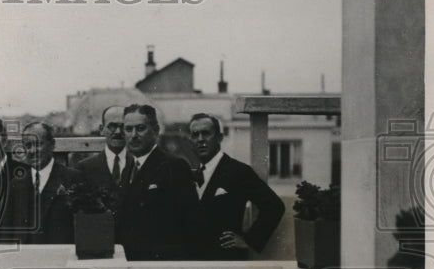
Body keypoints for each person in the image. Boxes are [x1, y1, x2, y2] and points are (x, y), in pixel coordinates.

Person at [188, 112, 285, 260]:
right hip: (196, 262)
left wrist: (248, 240)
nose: (200, 139)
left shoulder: (238, 171)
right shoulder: (192, 175)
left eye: (206, 133)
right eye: (195, 135)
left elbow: (274, 206)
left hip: (227, 260)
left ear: (219, 137)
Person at [116, 104, 203, 260]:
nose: (134, 135)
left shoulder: (174, 166)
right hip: (132, 264)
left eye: (140, 128)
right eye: (128, 129)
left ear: (155, 130)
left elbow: (191, 224)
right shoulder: (127, 170)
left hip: (162, 265)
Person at [14, 121, 83, 244]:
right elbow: (7, 231)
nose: (32, 150)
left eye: (38, 144)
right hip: (25, 259)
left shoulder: (72, 178)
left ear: (52, 145)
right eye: (28, 145)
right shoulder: (16, 184)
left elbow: (83, 226)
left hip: (60, 256)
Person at [75, 104, 134, 193]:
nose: (118, 132)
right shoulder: (85, 168)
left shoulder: (138, 164)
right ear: (101, 129)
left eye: (123, 126)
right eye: (112, 126)